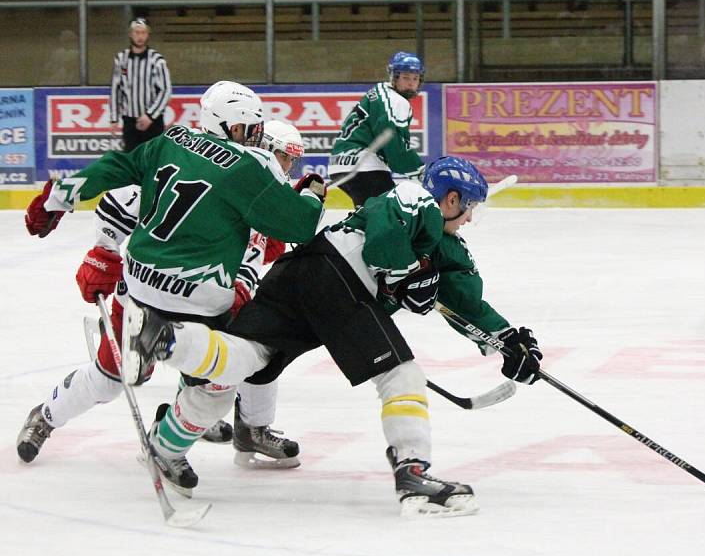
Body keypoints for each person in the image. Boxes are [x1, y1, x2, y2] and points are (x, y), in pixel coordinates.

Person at [122, 156, 543, 517]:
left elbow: (466, 303)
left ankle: (167, 349)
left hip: (300, 273)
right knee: (402, 376)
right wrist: (403, 275)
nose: (469, 217)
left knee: (240, 361)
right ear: (450, 198)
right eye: (468, 207)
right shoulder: (415, 198)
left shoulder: (446, 246)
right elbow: (380, 245)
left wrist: (508, 342)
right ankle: (413, 475)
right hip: (340, 278)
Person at [18, 81, 325, 493]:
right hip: (195, 302)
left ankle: (168, 431)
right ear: (232, 127)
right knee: (201, 379)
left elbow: (115, 169)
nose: (258, 140)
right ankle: (70, 420)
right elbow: (300, 224)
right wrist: (312, 198)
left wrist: (57, 198)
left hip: (142, 288)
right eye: (251, 130)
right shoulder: (249, 170)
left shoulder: (171, 141)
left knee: (149, 377)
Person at [328, 51, 426, 207]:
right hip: (364, 167)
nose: (411, 83)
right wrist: (419, 170)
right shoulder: (396, 101)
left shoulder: (379, 92)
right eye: (406, 77)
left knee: (367, 217)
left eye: (415, 78)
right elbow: (394, 144)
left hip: (339, 164)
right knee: (389, 215)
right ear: (394, 77)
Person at [110, 17, 172, 152]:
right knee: (132, 160)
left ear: (148, 35)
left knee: (153, 158)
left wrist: (150, 115)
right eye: (136, 32)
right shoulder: (122, 60)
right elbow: (117, 88)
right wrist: (114, 118)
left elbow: (165, 90)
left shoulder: (156, 60)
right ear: (131, 34)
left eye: (143, 33)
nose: (140, 36)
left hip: (152, 121)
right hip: (130, 121)